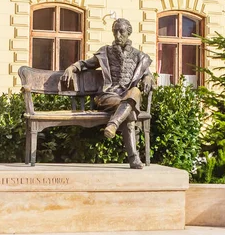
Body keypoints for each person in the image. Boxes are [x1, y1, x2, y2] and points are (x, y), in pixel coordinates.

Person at [61, 18, 155, 169]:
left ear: (128, 32)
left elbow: (147, 74)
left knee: (135, 92)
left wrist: (149, 78)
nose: (117, 35)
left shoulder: (139, 56)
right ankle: (133, 158)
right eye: (115, 31)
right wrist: (72, 67)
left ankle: (113, 124)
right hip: (108, 96)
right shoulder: (106, 52)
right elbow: (87, 64)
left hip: (128, 95)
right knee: (129, 112)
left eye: (121, 31)